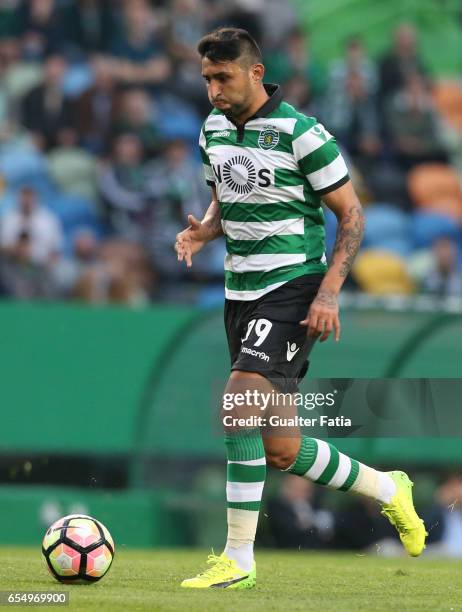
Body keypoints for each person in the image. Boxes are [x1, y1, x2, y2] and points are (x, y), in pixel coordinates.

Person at [175, 27, 427, 590]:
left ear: (255, 72)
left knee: (238, 402)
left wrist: (330, 291)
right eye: (207, 78)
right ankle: (390, 489)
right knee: (282, 449)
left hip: (292, 288)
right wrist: (206, 231)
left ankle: (237, 558)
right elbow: (232, 194)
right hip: (239, 294)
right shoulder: (212, 130)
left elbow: (353, 215)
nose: (214, 89)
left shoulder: (303, 133)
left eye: (223, 76)